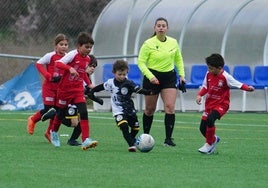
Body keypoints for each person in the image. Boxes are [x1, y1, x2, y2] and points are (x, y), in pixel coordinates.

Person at [137, 17, 186, 147]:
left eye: (164, 25)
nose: (161, 28)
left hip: (169, 77)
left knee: (170, 107)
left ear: (167, 28)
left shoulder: (173, 42)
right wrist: (150, 76)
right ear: (155, 28)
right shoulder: (148, 43)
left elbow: (178, 59)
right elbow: (141, 62)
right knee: (149, 109)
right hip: (152, 77)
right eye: (158, 25)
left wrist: (182, 75)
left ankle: (168, 139)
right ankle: (145, 137)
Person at [89, 60, 154, 152]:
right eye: (119, 74)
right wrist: (92, 91)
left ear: (127, 72)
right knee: (124, 126)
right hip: (118, 110)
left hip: (130, 109)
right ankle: (131, 145)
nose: (122, 76)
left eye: (124, 74)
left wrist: (149, 92)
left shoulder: (129, 83)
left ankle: (132, 139)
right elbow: (101, 87)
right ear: (114, 73)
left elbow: (138, 90)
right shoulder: (110, 82)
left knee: (135, 128)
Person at [196, 53, 255, 154]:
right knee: (202, 128)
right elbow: (205, 86)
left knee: (211, 119)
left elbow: (238, 84)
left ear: (219, 68)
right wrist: (199, 95)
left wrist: (248, 88)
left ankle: (209, 144)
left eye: (211, 68)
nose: (209, 70)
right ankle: (214, 139)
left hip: (222, 105)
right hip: (209, 105)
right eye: (208, 68)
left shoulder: (226, 77)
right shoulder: (208, 74)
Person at [49, 32, 98, 150]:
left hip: (77, 90)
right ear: (79, 46)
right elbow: (58, 63)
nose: (88, 49)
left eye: (90, 47)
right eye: (86, 47)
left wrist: (89, 84)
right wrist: (69, 68)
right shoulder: (72, 54)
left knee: (84, 112)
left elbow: (82, 73)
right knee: (61, 113)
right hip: (64, 90)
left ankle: (85, 139)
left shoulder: (87, 59)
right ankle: (54, 132)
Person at [27, 33, 69, 142]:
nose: (64, 46)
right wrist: (48, 76)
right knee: (48, 109)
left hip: (60, 89)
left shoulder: (68, 57)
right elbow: (39, 64)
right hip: (49, 88)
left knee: (57, 110)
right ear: (55, 46)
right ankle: (33, 119)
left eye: (66, 44)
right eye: (61, 44)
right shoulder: (50, 56)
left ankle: (49, 132)